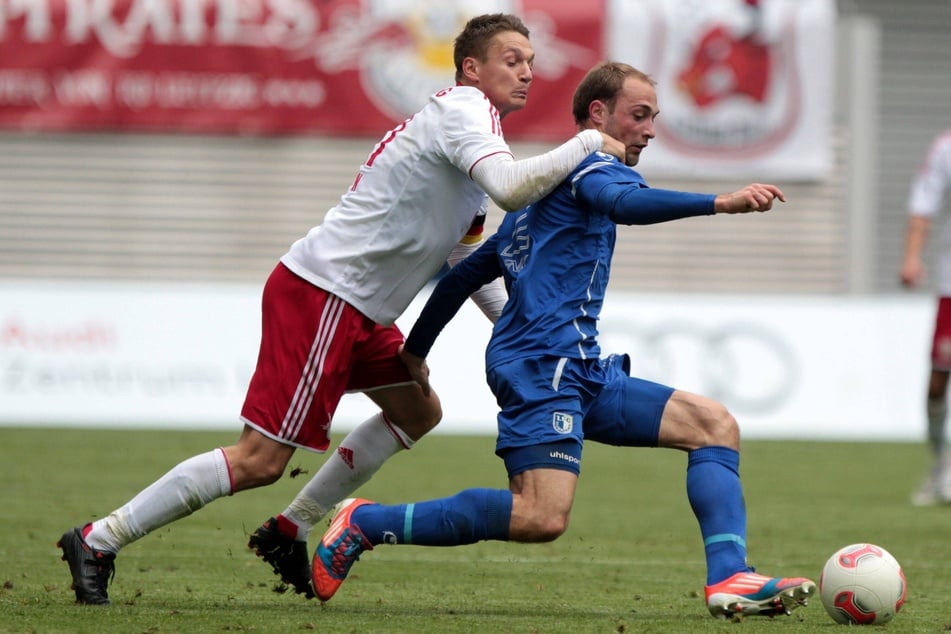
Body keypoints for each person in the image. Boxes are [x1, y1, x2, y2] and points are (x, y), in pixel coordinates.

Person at [56, 13, 627, 605]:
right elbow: (513, 188)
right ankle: (100, 539)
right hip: (325, 295)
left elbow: (464, 259)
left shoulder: (476, 140)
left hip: (358, 312)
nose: (528, 72)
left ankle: (289, 529)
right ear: (471, 68)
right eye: (513, 59)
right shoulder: (464, 111)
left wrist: (522, 329)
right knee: (260, 460)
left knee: (416, 409)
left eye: (532, 62)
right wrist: (586, 141)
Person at [310, 61, 818, 620]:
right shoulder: (592, 167)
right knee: (539, 517)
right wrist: (718, 202)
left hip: (576, 367)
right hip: (540, 368)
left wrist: (414, 353)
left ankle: (730, 577)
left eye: (654, 118)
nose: (650, 130)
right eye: (640, 115)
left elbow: (462, 276)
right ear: (597, 115)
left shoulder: (539, 196)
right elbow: (625, 205)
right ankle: (364, 522)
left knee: (713, 425)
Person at [900, 128, 951, 506]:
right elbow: (923, 207)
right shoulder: (945, 147)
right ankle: (940, 465)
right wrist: (912, 258)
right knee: (938, 382)